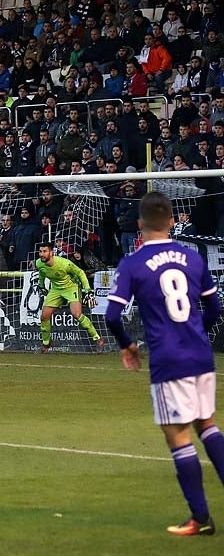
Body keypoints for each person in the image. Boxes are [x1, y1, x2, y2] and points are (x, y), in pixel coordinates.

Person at [105, 191, 224, 536]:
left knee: (179, 435)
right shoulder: (192, 257)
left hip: (169, 360)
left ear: (139, 225)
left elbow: (113, 314)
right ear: (172, 221)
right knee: (208, 425)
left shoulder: (134, 263)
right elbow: (215, 308)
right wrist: (194, 333)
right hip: (201, 355)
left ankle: (200, 518)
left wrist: (128, 346)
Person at [36, 242, 102, 353]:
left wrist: (88, 291)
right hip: (56, 289)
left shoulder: (64, 263)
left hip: (71, 287)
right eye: (40, 251)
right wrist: (41, 286)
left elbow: (80, 273)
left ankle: (98, 339)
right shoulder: (39, 263)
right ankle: (46, 344)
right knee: (44, 317)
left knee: (77, 314)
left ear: (51, 253)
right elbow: (42, 273)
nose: (42, 254)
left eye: (45, 251)